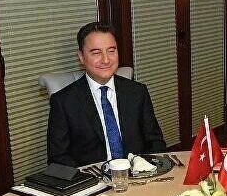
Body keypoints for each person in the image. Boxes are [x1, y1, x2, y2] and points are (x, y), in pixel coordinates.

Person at [46, 21, 166, 167]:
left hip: (137, 174)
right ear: (81, 57)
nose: (106, 59)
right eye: (96, 53)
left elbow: (155, 143)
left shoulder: (137, 92)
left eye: (111, 50)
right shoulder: (64, 101)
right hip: (92, 177)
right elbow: (58, 158)